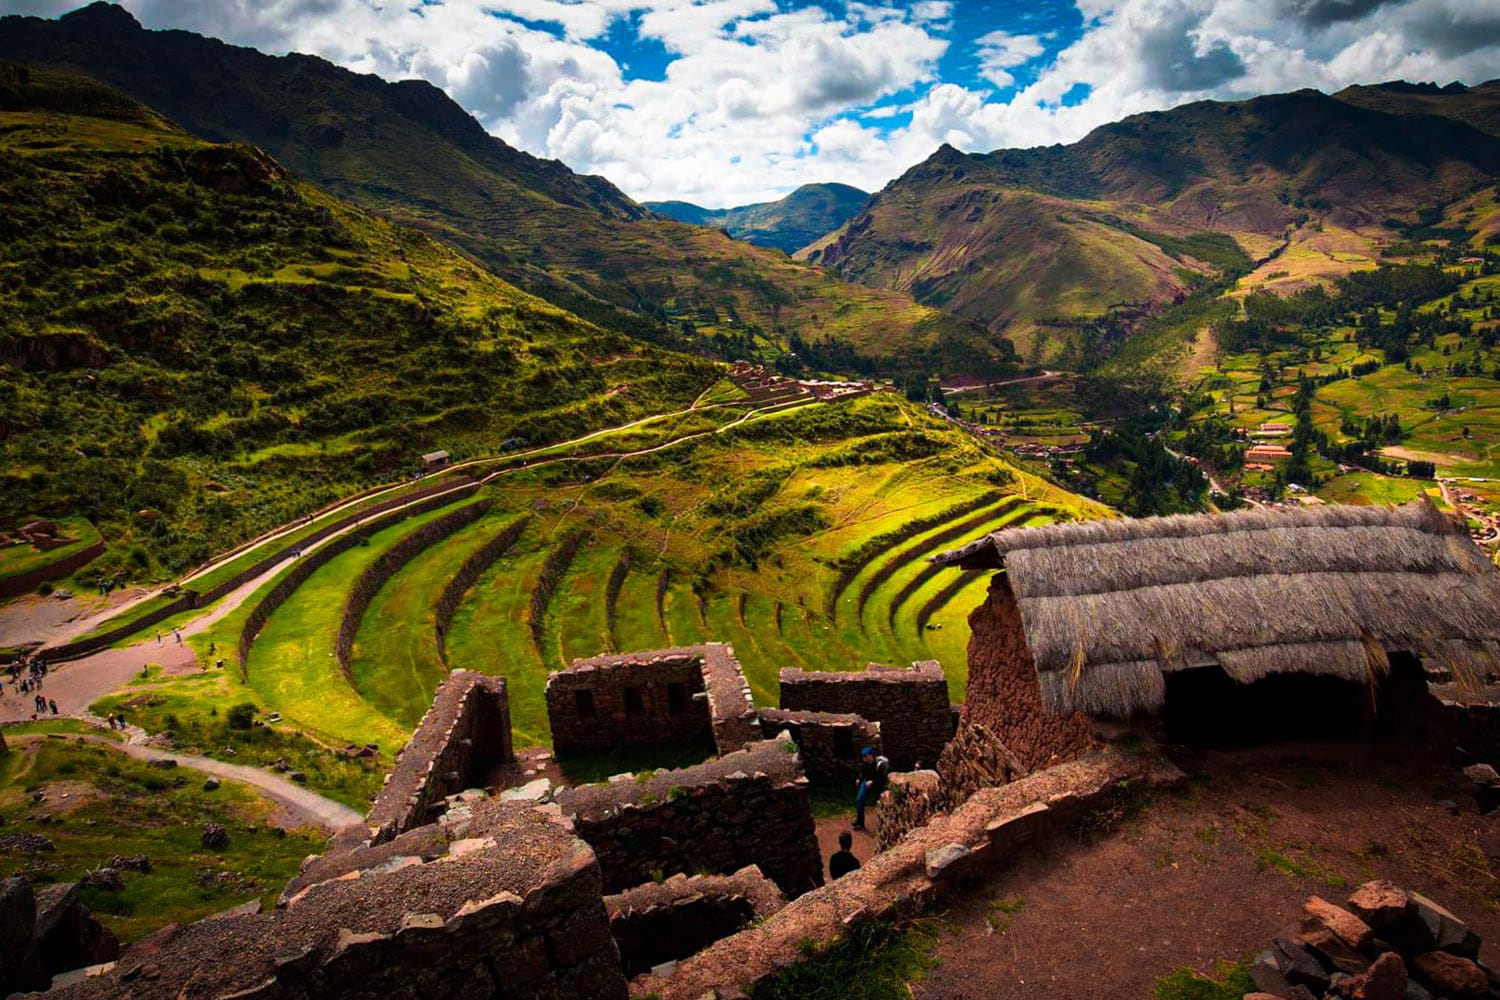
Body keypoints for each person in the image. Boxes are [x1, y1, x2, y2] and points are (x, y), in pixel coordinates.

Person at [853, 745, 889, 830]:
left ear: (871, 756)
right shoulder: (865, 764)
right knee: (859, 800)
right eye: (863, 756)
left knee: (880, 803)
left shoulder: (880, 765)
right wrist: (859, 779)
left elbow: (882, 779)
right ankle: (859, 822)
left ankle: (882, 823)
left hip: (877, 785)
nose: (863, 758)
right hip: (866, 783)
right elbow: (863, 773)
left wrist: (873, 782)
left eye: (865, 756)